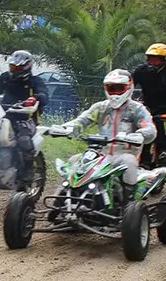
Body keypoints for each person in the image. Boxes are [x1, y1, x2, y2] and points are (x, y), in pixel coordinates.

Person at [50, 69, 157, 198]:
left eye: (119, 88)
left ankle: (129, 201)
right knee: (74, 160)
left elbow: (150, 129)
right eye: (111, 88)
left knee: (128, 162)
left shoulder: (137, 109)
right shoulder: (101, 107)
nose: (115, 92)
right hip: (101, 154)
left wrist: (140, 134)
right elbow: (82, 120)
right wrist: (67, 128)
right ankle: (63, 197)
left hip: (124, 155)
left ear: (129, 87)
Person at [0, 50, 49, 187]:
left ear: (27, 67)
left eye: (17, 68)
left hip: (26, 118)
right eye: (12, 67)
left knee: (23, 139)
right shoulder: (6, 78)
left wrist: (35, 98)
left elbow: (44, 95)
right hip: (4, 115)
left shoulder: (34, 81)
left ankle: (28, 171)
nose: (14, 70)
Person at [130, 43, 166, 168]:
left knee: (161, 139)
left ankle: (162, 163)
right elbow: (129, 84)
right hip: (146, 108)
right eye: (150, 58)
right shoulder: (141, 71)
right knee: (140, 135)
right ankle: (142, 162)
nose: (152, 62)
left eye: (156, 59)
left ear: (163, 60)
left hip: (165, 111)